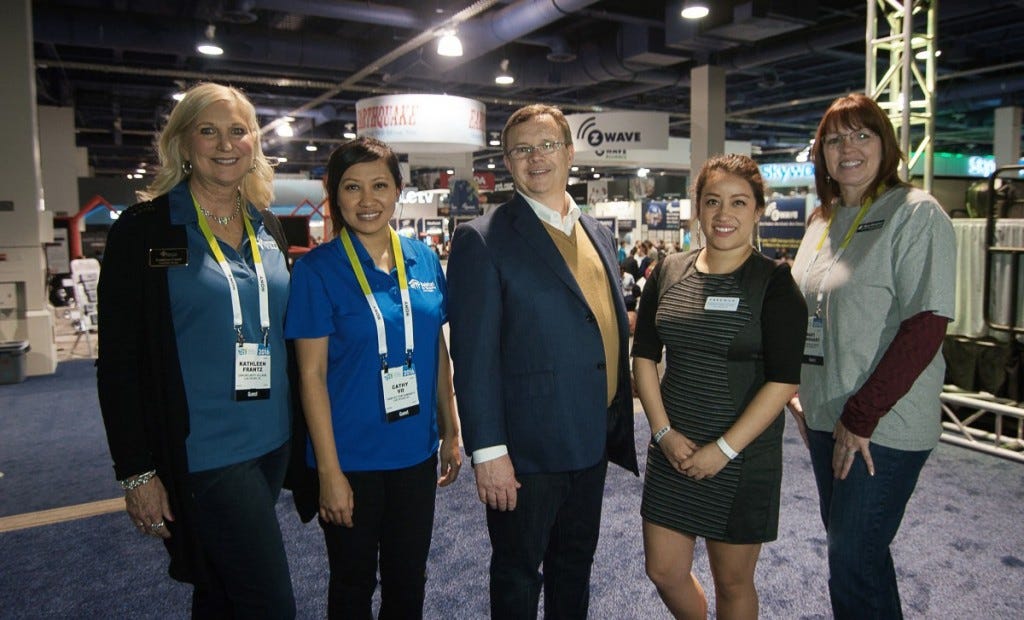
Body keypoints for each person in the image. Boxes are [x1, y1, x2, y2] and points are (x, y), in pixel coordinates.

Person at [96, 82, 296, 618]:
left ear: (254, 142)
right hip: (205, 452)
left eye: (238, 131)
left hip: (272, 442)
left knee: (222, 592)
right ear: (182, 144)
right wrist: (136, 472)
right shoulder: (144, 231)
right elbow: (117, 363)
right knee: (270, 603)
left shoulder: (267, 226)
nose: (225, 144)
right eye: (208, 131)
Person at [446, 103, 638, 620]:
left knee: (575, 568)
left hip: (590, 440)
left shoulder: (596, 231)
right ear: (507, 162)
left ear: (569, 152)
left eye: (547, 145)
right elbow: (473, 356)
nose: (536, 158)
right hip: (525, 453)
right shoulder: (482, 238)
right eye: (521, 149)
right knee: (517, 574)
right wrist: (488, 452)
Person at [789, 93, 955, 619]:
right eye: (834, 139)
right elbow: (810, 312)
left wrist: (861, 415)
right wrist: (798, 391)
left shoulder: (916, 214)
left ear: (888, 145)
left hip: (880, 420)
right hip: (823, 413)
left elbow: (927, 324)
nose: (848, 148)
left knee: (853, 557)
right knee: (855, 556)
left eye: (863, 134)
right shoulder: (821, 222)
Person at [284, 137, 462, 619]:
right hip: (350, 460)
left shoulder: (423, 259)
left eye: (380, 185)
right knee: (352, 584)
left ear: (399, 190)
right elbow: (311, 376)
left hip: (414, 453)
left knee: (409, 581)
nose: (367, 200)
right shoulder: (316, 271)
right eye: (352, 187)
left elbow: (435, 350)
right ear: (335, 195)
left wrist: (451, 430)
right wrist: (329, 474)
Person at [632, 154, 807, 619]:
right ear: (698, 208)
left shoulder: (775, 284)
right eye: (712, 202)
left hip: (742, 457)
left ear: (757, 210)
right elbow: (644, 357)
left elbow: (784, 379)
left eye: (738, 202)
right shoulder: (668, 272)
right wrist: (663, 433)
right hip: (673, 449)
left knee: (733, 583)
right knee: (664, 571)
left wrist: (723, 450)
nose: (723, 214)